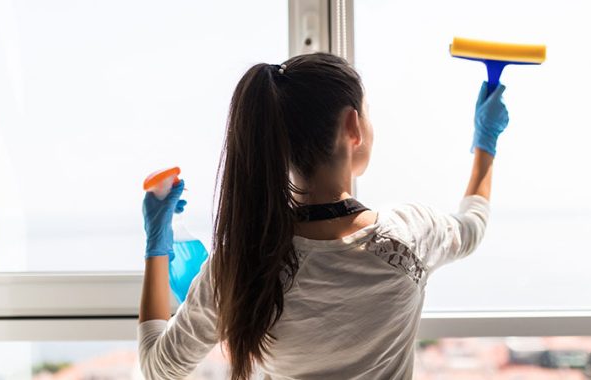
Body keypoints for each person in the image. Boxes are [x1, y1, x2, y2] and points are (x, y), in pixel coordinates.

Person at [138, 52, 508, 380]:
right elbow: (472, 225)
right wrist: (485, 143)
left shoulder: (242, 264)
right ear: (352, 126)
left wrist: (157, 245)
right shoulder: (410, 236)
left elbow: (158, 369)